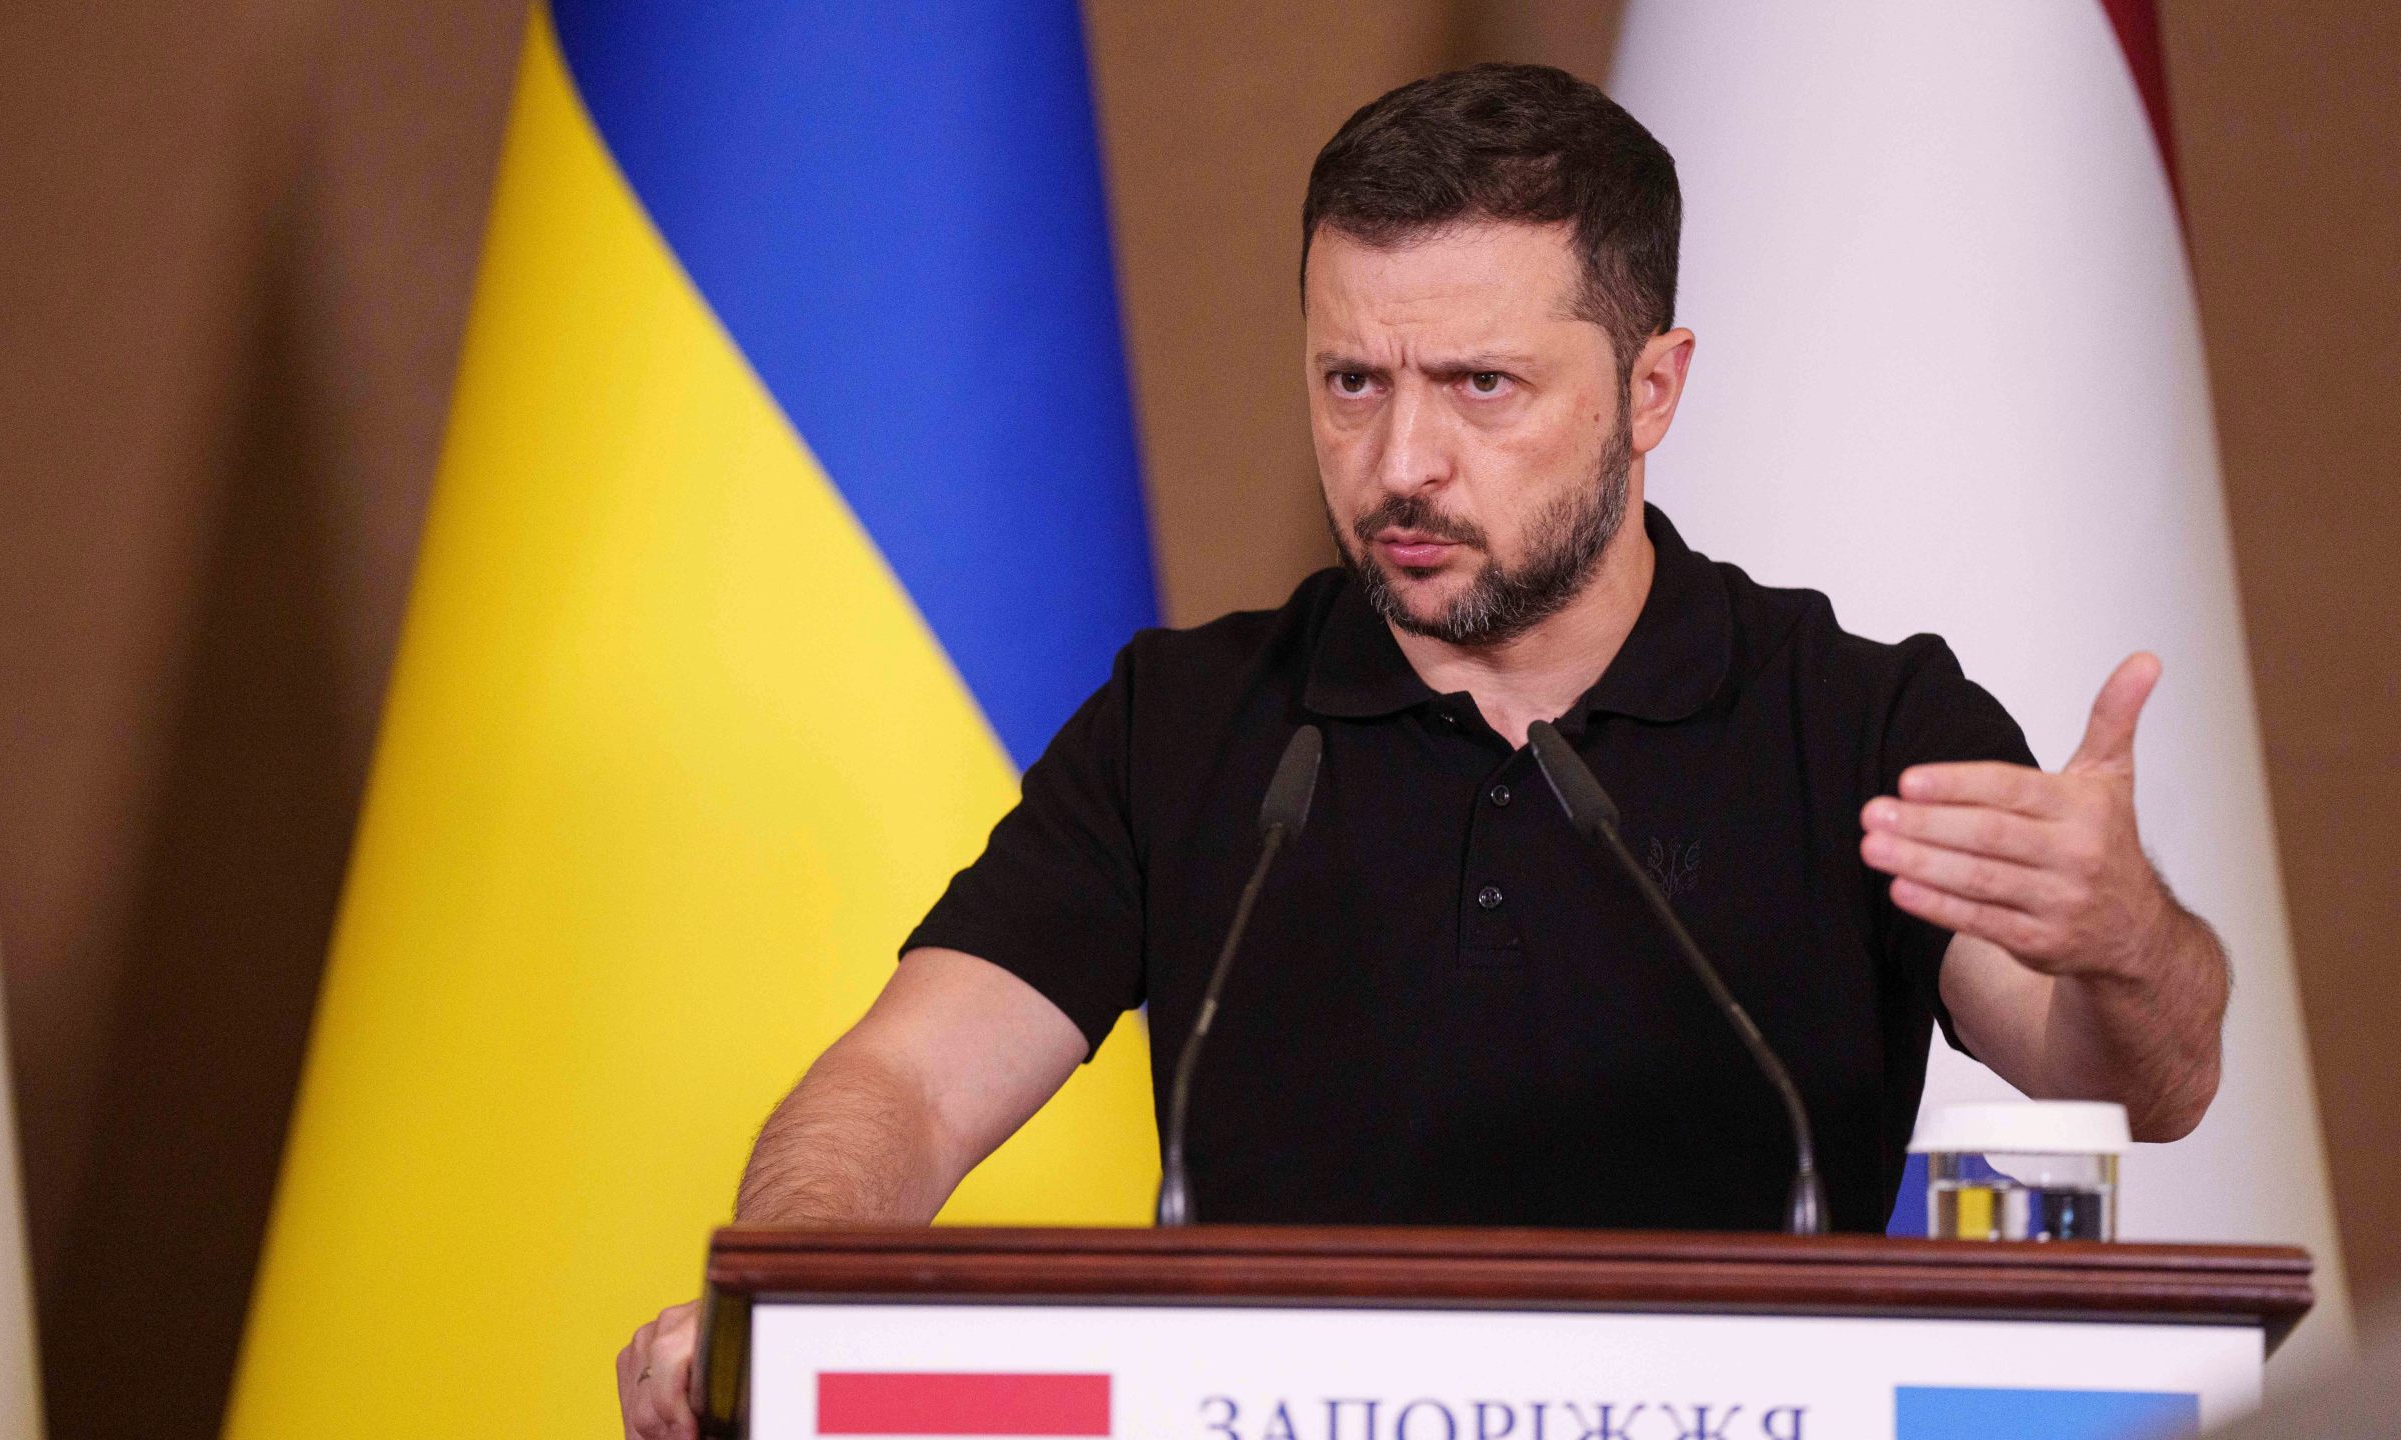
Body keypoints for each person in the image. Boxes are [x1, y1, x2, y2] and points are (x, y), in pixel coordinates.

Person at [616, 63, 2229, 1438]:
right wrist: (790, 1297)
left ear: (1652, 388)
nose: (1400, 460)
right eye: (1351, 381)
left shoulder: (1860, 722)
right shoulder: (1184, 722)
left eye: (1481, 385)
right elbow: (902, 1082)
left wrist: (2127, 940)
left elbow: (2129, 1075)